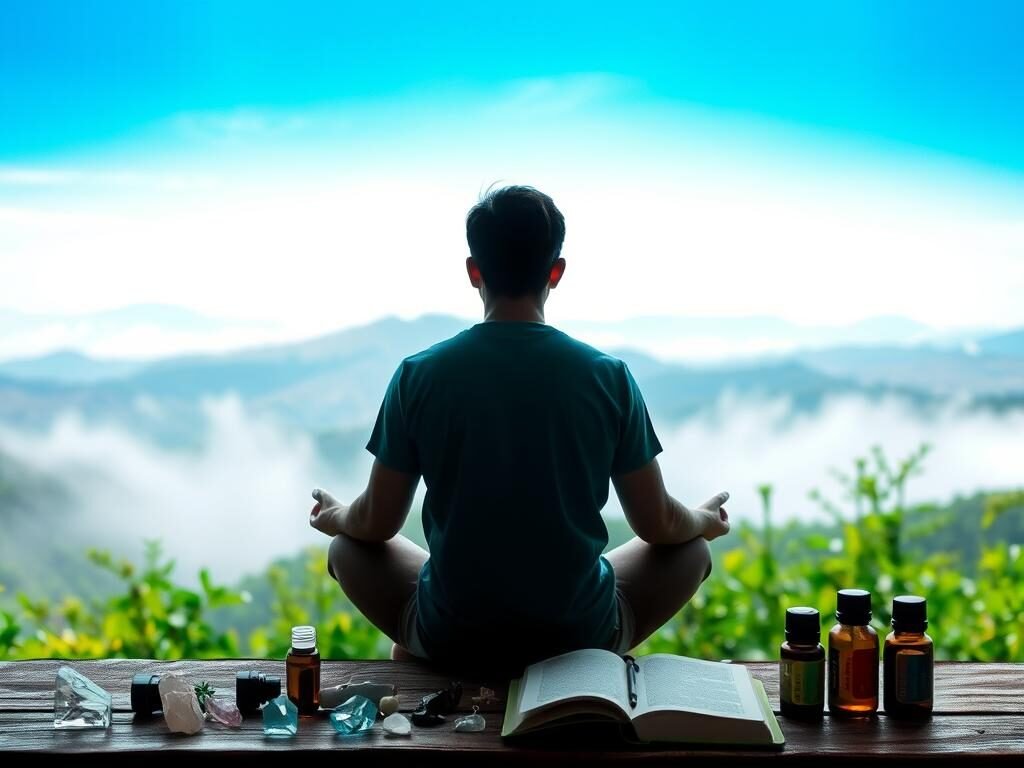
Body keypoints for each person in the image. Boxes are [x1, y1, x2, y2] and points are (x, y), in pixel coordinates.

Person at [308, 185, 730, 673]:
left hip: (453, 634)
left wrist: (336, 516)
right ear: (556, 272)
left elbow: (376, 524)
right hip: (577, 638)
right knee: (691, 552)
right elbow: (658, 525)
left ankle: (423, 654)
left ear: (473, 272)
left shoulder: (418, 375)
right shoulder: (607, 376)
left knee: (347, 549)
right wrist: (702, 519)